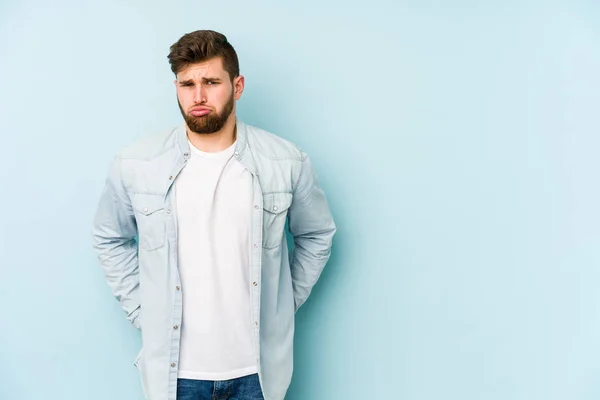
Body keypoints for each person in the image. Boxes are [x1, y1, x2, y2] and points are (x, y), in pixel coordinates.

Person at [91, 29, 336, 400]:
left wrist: (281, 303)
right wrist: (145, 312)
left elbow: (317, 234)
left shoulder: (285, 161)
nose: (198, 96)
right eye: (187, 83)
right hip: (176, 375)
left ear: (237, 86)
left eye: (210, 81)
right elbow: (109, 238)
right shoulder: (137, 164)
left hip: (257, 374)